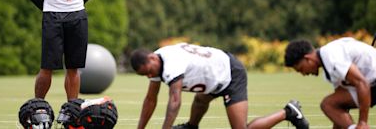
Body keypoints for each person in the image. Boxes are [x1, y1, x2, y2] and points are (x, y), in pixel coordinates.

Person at [130, 42, 309, 129]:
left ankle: (289, 111)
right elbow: (150, 100)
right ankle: (191, 127)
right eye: (145, 75)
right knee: (201, 100)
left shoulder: (171, 64)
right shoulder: (156, 63)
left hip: (230, 74)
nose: (150, 76)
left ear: (152, 58)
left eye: (148, 71)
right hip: (212, 75)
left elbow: (175, 102)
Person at [285, 37, 376, 129]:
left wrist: (363, 122)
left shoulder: (331, 58)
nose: (304, 74)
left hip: (372, 83)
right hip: (372, 85)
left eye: (301, 69)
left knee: (327, 104)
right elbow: (341, 106)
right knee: (331, 104)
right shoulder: (328, 62)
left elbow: (362, 83)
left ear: (308, 58)